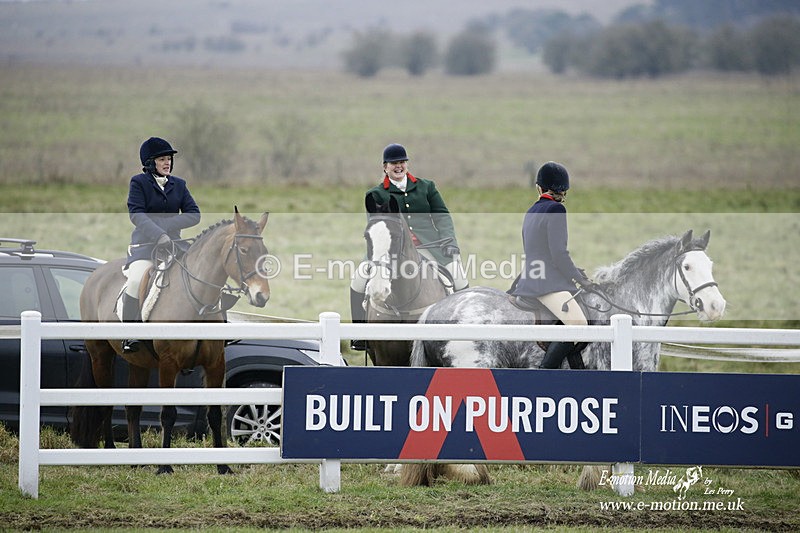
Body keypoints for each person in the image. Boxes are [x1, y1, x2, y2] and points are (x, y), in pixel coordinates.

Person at [349, 143, 468, 350]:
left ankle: (464, 330)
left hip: (430, 247)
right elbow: (376, 226)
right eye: (394, 163)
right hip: (388, 250)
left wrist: (449, 242)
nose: (399, 166)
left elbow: (442, 216)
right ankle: (360, 334)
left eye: (402, 162)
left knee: (459, 277)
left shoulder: (426, 187)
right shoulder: (376, 194)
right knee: (358, 280)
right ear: (384, 167)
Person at [510, 161, 598, 368]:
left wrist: (574, 271)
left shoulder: (532, 210)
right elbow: (558, 253)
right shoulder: (556, 209)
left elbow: (537, 250)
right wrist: (579, 279)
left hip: (531, 276)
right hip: (546, 282)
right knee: (578, 324)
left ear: (539, 188)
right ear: (564, 190)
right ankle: (545, 372)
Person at [121, 137, 201, 353]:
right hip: (146, 246)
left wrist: (165, 227)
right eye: (162, 159)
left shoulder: (180, 184)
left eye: (169, 159)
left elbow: (194, 215)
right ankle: (130, 335)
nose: (167, 163)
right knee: (136, 280)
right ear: (150, 163)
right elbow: (137, 215)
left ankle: (212, 331)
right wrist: (158, 234)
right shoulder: (138, 183)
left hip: (174, 246)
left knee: (199, 275)